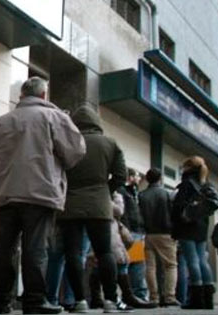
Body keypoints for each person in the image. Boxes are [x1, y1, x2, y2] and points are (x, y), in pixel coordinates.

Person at [0, 77, 86, 315]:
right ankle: (34, 302)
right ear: (43, 96)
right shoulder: (54, 117)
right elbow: (76, 152)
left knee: (4, 248)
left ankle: (0, 303)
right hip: (40, 194)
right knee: (36, 249)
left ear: (21, 97)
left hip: (5, 196)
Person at [58, 105, 129, 314]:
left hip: (69, 204)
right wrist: (105, 191)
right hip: (99, 204)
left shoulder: (68, 142)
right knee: (104, 252)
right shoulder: (110, 143)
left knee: (72, 253)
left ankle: (79, 301)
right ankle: (110, 301)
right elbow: (121, 176)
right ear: (97, 122)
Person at [171, 156, 218, 310]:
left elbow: (178, 207)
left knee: (192, 260)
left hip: (187, 226)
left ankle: (196, 298)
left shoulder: (187, 184)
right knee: (201, 260)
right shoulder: (205, 184)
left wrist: (175, 224)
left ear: (188, 167)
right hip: (201, 226)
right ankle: (207, 299)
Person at [137, 169, 178, 307]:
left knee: (150, 266)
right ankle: (169, 297)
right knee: (170, 265)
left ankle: (153, 297)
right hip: (166, 233)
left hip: (148, 234)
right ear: (160, 178)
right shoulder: (166, 194)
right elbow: (173, 213)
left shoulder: (141, 195)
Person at [119, 170, 150, 305]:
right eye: (137, 176)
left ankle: (137, 294)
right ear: (131, 177)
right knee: (132, 263)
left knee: (134, 263)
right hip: (130, 231)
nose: (139, 179)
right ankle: (137, 294)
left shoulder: (132, 192)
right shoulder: (124, 191)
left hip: (135, 231)